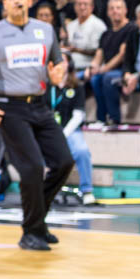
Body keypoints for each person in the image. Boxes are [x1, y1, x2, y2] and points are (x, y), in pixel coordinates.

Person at [0, 0, 73, 250]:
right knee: (32, 167)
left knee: (64, 162)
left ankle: (37, 220)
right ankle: (31, 232)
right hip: (9, 108)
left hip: (39, 105)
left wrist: (58, 75)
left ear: (30, 0)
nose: (17, 1)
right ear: (4, 3)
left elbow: (58, 63)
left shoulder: (45, 30)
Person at [50, 60, 95, 205]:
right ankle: (50, 191)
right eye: (57, 60)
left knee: (82, 151)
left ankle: (87, 191)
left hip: (70, 130)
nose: (60, 63)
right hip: (49, 130)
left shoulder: (77, 86)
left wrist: (63, 134)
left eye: (63, 60)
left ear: (69, 65)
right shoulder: (47, 86)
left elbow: (78, 115)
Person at [64, 0, 106, 72]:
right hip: (69, 66)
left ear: (92, 7)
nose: (82, 7)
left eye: (85, 4)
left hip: (88, 68)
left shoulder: (98, 25)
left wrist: (77, 50)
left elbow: (99, 51)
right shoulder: (70, 25)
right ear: (75, 7)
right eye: (79, 4)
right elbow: (67, 46)